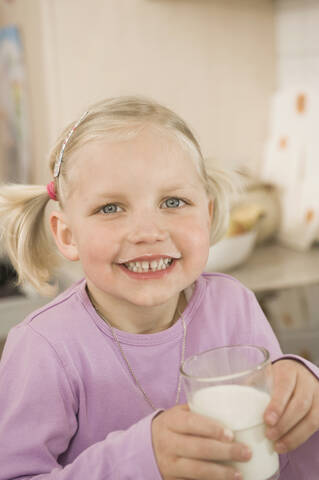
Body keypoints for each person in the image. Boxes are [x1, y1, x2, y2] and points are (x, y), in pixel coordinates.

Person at [0, 96, 318, 480]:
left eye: (173, 201)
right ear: (66, 234)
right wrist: (143, 459)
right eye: (111, 208)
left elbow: (280, 450)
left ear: (209, 213)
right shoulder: (43, 348)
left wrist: (304, 389)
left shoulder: (232, 305)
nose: (148, 232)